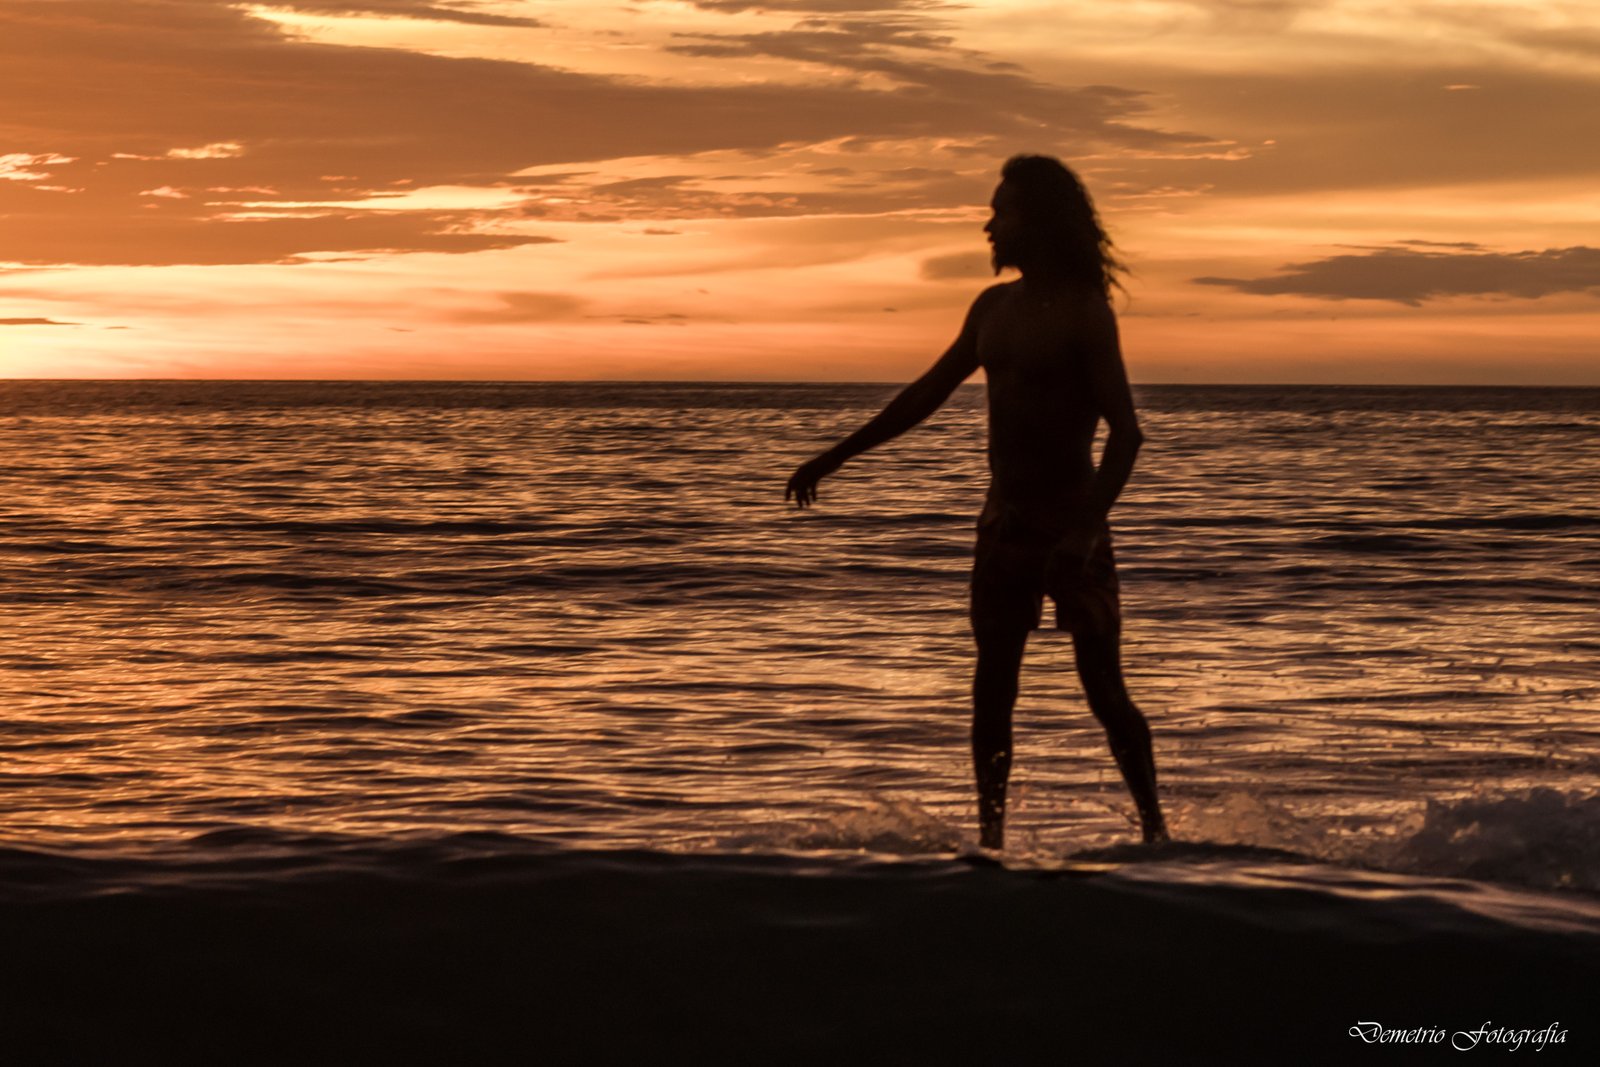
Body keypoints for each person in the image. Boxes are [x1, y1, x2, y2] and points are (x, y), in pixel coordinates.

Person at [785, 154, 1169, 850]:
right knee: (992, 693)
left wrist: (1083, 534)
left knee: (1103, 691)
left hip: (1070, 526)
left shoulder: (1085, 312)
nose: (990, 225)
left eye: (1004, 210)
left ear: (1041, 222)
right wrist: (836, 455)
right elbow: (926, 393)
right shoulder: (993, 308)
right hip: (1004, 523)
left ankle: (1156, 833)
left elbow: (1127, 434)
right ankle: (990, 842)